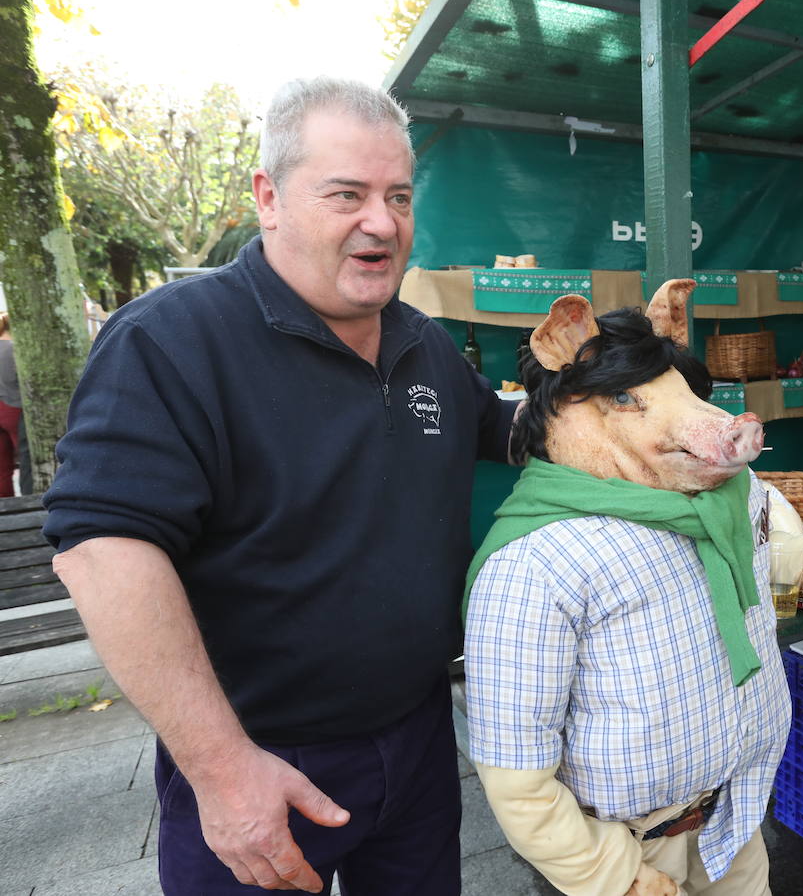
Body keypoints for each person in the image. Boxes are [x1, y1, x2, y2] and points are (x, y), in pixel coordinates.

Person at [43, 77, 517, 895]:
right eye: (347, 194)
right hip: (260, 757)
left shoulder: (426, 346)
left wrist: (647, 402)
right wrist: (223, 772)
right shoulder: (171, 340)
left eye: (398, 195)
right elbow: (103, 553)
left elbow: (517, 434)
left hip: (419, 736)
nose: (382, 221)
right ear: (268, 196)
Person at [0, 313, 22, 496]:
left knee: (2, 468)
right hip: (13, 407)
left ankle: (5, 507)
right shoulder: (16, 349)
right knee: (25, 459)